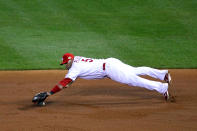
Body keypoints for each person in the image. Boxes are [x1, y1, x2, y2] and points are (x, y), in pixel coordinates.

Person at [32, 53, 174, 106]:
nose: (65, 66)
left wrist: (50, 93)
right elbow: (69, 82)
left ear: (70, 61)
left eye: (65, 64)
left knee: (133, 79)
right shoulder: (77, 59)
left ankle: (162, 87)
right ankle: (163, 75)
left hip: (111, 69)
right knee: (135, 70)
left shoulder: (74, 68)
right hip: (111, 61)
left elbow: (65, 83)